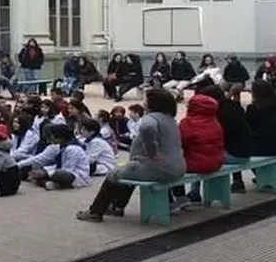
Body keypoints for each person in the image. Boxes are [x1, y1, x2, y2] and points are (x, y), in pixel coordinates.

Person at [77, 88, 185, 221]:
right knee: (130, 169)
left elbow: (147, 128)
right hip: (176, 167)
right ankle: (117, 206)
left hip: (159, 168)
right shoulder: (170, 120)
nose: (144, 104)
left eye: (146, 101)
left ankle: (95, 211)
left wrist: (152, 152)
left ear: (153, 104)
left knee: (113, 174)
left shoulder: (152, 118)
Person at [178, 93, 226, 203]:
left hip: (196, 164)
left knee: (172, 167)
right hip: (216, 162)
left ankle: (178, 198)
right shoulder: (215, 123)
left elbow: (181, 144)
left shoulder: (187, 123)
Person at [19, 123, 91, 190]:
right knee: (40, 170)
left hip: (77, 176)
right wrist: (45, 170)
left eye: (53, 135)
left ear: (60, 136)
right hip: (66, 171)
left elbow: (67, 169)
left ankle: (57, 184)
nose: (52, 138)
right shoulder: (63, 146)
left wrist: (46, 173)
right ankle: (50, 183)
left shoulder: (72, 149)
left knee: (59, 174)